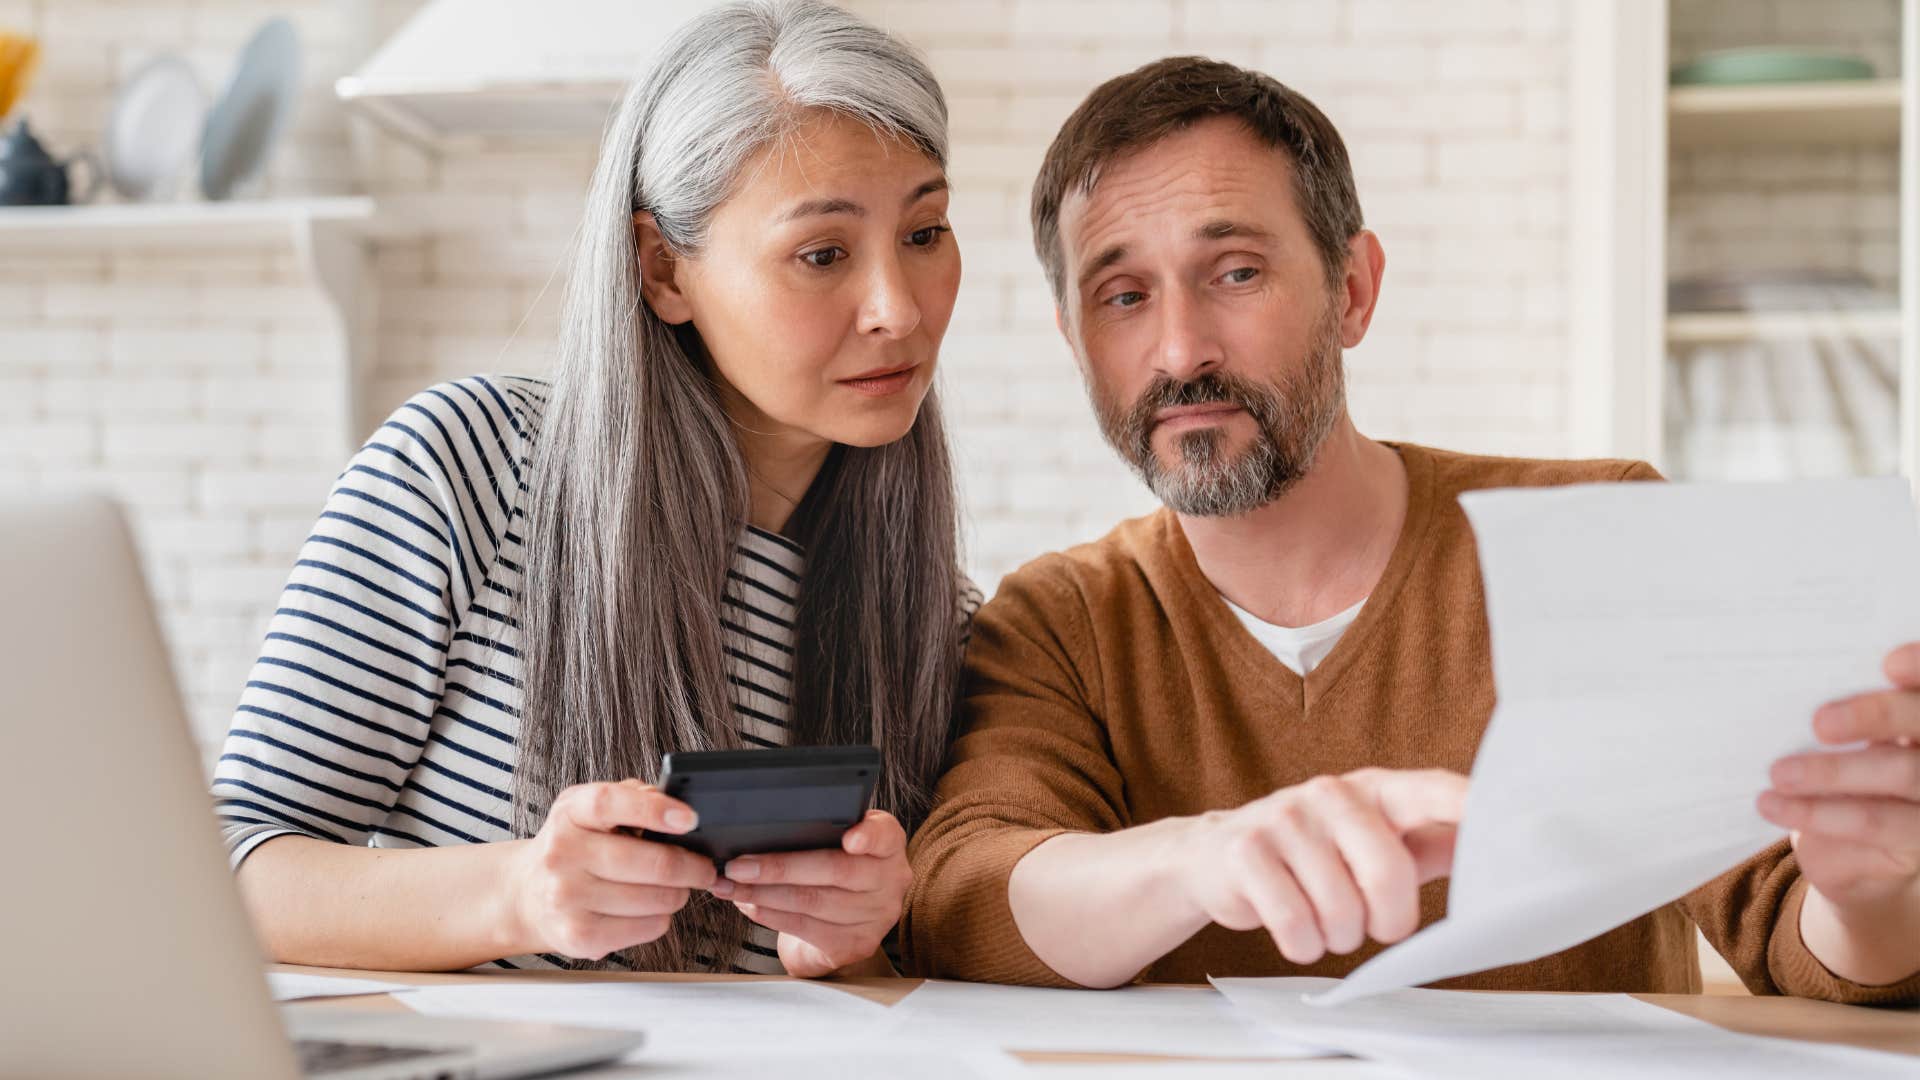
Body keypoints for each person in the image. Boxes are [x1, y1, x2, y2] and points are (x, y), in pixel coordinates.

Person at [902, 56, 1920, 1004]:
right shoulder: (1062, 620)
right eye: (1122, 297)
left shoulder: (1598, 537)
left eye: (1237, 272)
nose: (1179, 349)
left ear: (1352, 290)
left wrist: (1868, 890)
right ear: (1077, 342)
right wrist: (1207, 856)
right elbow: (967, 893)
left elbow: (1793, 924)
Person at [211, 0, 977, 978]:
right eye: (823, 253)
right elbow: (223, 875)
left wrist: (855, 949)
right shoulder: (465, 473)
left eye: (925, 232)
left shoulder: (936, 623)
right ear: (663, 270)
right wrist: (520, 893)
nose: (898, 309)